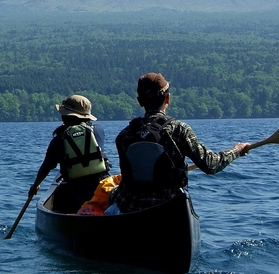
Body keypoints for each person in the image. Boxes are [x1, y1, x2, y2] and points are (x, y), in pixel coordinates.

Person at [106, 73, 249, 215]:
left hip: (129, 210)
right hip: (168, 208)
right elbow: (211, 165)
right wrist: (236, 150)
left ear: (139, 101)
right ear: (167, 98)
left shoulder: (124, 136)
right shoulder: (179, 130)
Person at [28, 94, 112, 214]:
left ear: (65, 116)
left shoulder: (59, 139)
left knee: (58, 199)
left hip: (74, 191)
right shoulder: (98, 131)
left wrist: (35, 185)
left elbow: (46, 167)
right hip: (100, 188)